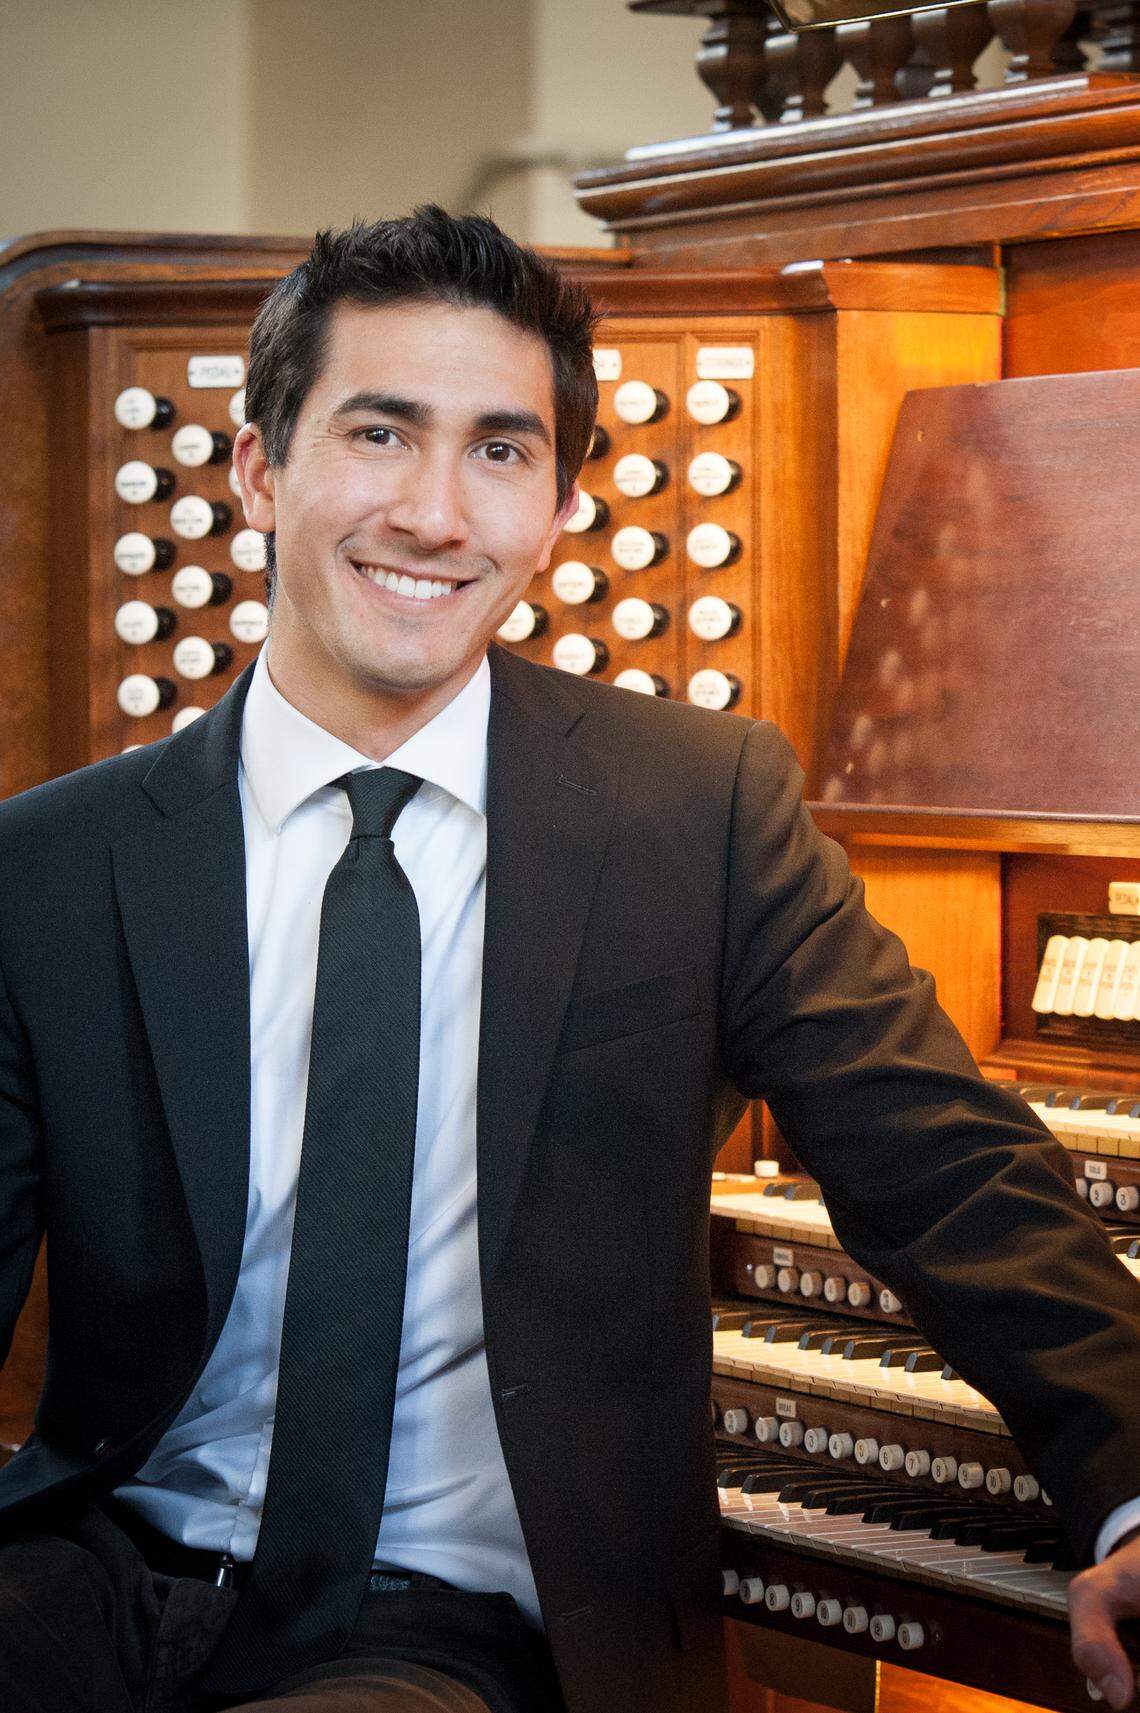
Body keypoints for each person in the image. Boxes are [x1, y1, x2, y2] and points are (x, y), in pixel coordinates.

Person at [0, 206, 1138, 1713]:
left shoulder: (695, 813)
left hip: (450, 1625)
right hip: (90, 1579)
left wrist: (1131, 1486)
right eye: (380, 434)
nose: (435, 514)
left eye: (500, 450)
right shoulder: (50, 868)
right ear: (259, 469)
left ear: (557, 511)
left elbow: (946, 1167)